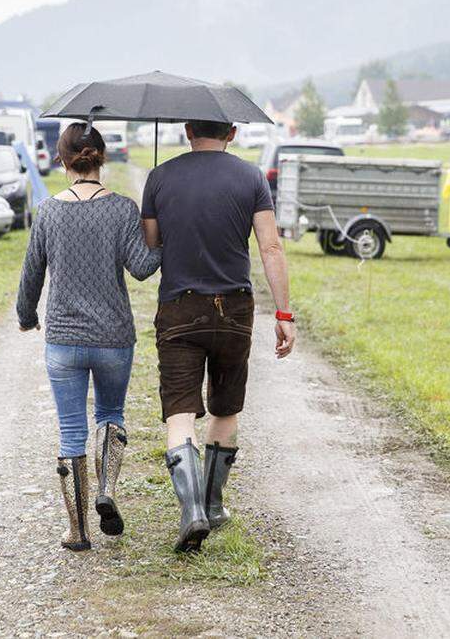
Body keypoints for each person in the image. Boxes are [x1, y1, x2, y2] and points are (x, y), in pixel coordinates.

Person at [141, 119, 295, 553]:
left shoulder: (160, 175)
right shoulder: (251, 177)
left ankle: (190, 510)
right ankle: (212, 504)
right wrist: (284, 313)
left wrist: (160, 204)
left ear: (187, 130)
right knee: (225, 407)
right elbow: (270, 247)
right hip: (235, 307)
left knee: (180, 414)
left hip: (179, 308)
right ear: (231, 131)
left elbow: (151, 245)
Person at [16, 123, 161, 552]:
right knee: (111, 414)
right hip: (114, 337)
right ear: (102, 157)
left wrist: (26, 316)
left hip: (63, 339)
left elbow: (31, 275)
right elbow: (142, 267)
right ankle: (107, 491)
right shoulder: (122, 209)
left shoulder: (48, 212)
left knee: (70, 430)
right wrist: (159, 230)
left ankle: (78, 531)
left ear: (62, 160)